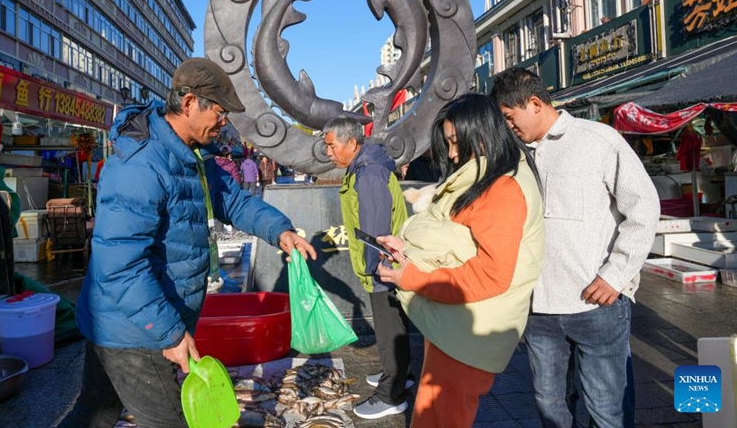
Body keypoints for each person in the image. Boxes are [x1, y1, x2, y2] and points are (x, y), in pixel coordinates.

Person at [58, 57, 316, 428]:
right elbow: (120, 266)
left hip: (127, 319)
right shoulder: (141, 167)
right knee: (167, 420)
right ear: (190, 102)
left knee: (95, 412)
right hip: (133, 329)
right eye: (220, 111)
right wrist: (170, 333)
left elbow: (233, 200)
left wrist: (281, 230)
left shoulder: (191, 155)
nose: (223, 121)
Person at [490, 67, 660, 428]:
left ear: (535, 103)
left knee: (606, 407)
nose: (508, 126)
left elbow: (644, 208)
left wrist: (616, 275)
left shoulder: (598, 140)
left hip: (595, 305)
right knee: (550, 404)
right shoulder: (513, 156)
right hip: (538, 309)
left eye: (509, 117)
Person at [375, 93, 545, 428]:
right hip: (457, 326)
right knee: (434, 410)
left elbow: (491, 275)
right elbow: (457, 240)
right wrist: (407, 250)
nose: (452, 154)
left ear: (482, 133)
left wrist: (411, 277)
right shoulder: (489, 176)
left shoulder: (503, 188)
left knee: (443, 416)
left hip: (471, 330)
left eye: (457, 142)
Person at [322, 116, 412, 420]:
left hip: (383, 264)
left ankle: (392, 393)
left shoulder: (369, 173)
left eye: (332, 146)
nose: (329, 153)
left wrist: (374, 271)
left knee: (389, 329)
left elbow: (376, 229)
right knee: (392, 325)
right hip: (382, 262)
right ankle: (396, 372)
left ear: (351, 143)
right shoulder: (364, 168)